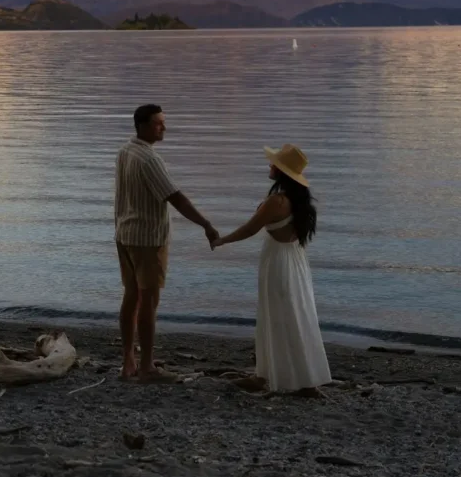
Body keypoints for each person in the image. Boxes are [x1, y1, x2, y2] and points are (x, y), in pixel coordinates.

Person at [211, 144, 331, 393]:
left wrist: (222, 240)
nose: (270, 165)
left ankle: (269, 376)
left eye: (274, 163)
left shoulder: (277, 201)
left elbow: (249, 229)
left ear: (282, 171)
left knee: (274, 315)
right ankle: (295, 375)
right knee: (296, 314)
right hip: (295, 261)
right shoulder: (300, 202)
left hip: (277, 262)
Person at [114, 104, 218, 382]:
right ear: (143, 126)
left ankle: (128, 362)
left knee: (131, 296)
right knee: (149, 301)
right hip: (148, 239)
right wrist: (206, 224)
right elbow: (177, 198)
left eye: (163, 122)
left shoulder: (126, 151)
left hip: (125, 234)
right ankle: (146, 366)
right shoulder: (149, 160)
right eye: (159, 123)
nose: (164, 127)